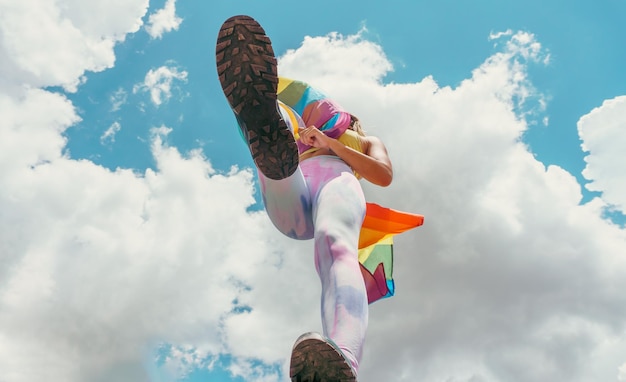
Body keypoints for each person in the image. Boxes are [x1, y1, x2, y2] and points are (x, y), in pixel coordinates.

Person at [216, 15, 399, 382]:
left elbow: (383, 175)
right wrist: (300, 138)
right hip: (293, 187)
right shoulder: (301, 133)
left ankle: (343, 360)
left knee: (333, 243)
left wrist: (332, 143)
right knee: (276, 160)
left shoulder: (364, 140)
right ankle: (263, 120)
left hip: (338, 182)